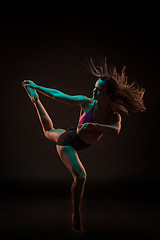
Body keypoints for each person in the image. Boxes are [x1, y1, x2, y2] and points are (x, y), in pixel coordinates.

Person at [22, 58, 146, 233]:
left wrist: (95, 126)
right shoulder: (87, 102)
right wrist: (37, 86)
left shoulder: (113, 116)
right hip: (69, 141)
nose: (94, 91)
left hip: (75, 137)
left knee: (50, 130)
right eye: (94, 87)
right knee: (80, 176)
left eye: (99, 90)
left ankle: (35, 101)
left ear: (109, 95)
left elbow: (115, 130)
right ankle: (76, 216)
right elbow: (58, 95)